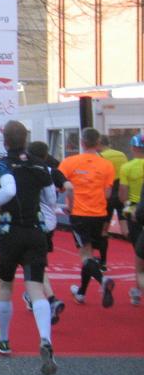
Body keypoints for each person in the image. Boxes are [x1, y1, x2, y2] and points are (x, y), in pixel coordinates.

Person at [0, 121, 57, 375]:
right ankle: (45, 338)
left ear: (5, 143)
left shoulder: (4, 165)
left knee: (5, 285)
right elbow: (51, 199)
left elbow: (8, 190)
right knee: (35, 288)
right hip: (35, 231)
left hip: (10, 231)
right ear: (26, 140)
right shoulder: (40, 165)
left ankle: (3, 339)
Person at [59, 127, 116, 307]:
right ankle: (81, 292)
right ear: (98, 143)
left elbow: (62, 187)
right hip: (99, 213)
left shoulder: (69, 162)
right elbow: (108, 194)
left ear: (82, 142)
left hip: (79, 214)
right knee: (89, 254)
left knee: (86, 256)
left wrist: (70, 204)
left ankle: (102, 280)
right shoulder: (107, 165)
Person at [24, 141, 67, 323]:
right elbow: (55, 196)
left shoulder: (25, 171)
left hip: (33, 221)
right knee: (37, 261)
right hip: (49, 222)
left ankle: (50, 298)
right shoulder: (51, 171)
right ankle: (32, 294)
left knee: (34, 264)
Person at [119, 134, 144, 305]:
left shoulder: (127, 167)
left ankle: (137, 291)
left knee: (139, 254)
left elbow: (123, 194)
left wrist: (128, 206)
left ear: (133, 148)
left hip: (135, 210)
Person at [99, 134, 129, 268]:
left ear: (99, 144)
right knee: (125, 228)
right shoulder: (121, 155)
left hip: (108, 194)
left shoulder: (101, 157)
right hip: (121, 192)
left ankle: (103, 262)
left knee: (104, 230)